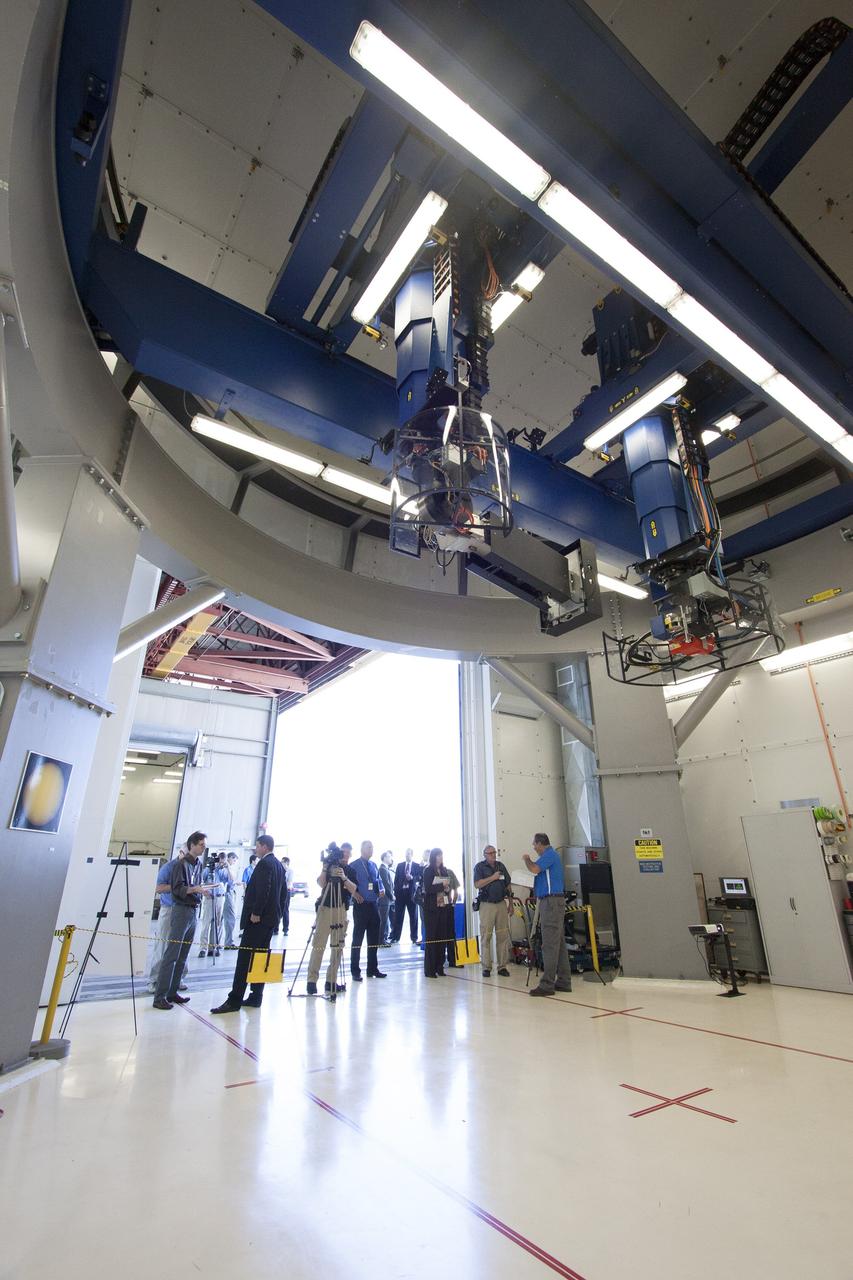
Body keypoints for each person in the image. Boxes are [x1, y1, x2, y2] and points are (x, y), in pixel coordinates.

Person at [211, 835, 288, 1014]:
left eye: (258, 846)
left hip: (258, 921)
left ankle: (234, 1000)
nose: (255, 849)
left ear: (265, 846)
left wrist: (256, 912)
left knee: (245, 959)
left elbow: (263, 890)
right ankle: (256, 996)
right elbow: (283, 894)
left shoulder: (265, 864)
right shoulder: (278, 865)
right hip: (269, 921)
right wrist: (277, 915)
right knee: (260, 958)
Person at [153, 831, 208, 1009]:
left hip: (193, 910)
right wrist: (194, 889)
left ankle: (173, 991)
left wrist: (201, 890)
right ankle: (160, 996)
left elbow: (194, 885)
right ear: (192, 845)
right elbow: (178, 889)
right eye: (201, 845)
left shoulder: (198, 865)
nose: (203, 848)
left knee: (183, 954)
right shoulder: (179, 865)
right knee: (172, 954)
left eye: (204, 845)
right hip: (181, 910)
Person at [523, 833, 572, 997]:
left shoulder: (549, 855)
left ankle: (547, 984)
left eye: (534, 844)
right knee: (559, 943)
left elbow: (534, 869)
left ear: (540, 843)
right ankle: (564, 981)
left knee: (549, 944)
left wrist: (527, 859)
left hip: (551, 902)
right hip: (552, 901)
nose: (534, 848)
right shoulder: (550, 857)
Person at [306, 843, 357, 996]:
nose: (345, 855)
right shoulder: (329, 867)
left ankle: (331, 980)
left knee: (338, 946)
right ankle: (311, 980)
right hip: (326, 908)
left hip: (341, 908)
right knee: (318, 945)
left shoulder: (350, 870)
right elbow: (321, 883)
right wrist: (324, 868)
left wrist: (344, 877)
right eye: (343, 852)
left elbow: (353, 889)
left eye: (347, 853)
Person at [348, 840, 387, 981]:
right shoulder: (354, 865)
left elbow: (378, 881)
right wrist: (354, 894)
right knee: (357, 939)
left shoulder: (374, 865)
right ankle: (355, 971)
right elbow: (347, 883)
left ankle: (372, 969)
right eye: (369, 847)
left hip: (373, 905)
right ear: (362, 849)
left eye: (372, 847)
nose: (371, 849)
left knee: (374, 939)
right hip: (361, 905)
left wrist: (382, 889)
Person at [473, 844, 512, 978]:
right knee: (486, 936)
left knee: (502, 936)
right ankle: (486, 967)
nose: (493, 855)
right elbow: (477, 884)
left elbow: (508, 884)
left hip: (501, 904)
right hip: (487, 905)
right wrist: (493, 878)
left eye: (494, 852)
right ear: (485, 855)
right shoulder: (479, 867)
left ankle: (502, 966)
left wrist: (510, 903)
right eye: (490, 853)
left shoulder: (501, 866)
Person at [423, 848, 454, 978]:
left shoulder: (444, 870)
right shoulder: (428, 870)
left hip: (443, 907)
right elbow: (429, 888)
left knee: (442, 938)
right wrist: (442, 886)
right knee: (432, 939)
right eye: (438, 855)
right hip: (431, 909)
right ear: (433, 857)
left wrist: (447, 888)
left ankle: (439, 967)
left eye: (441, 855)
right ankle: (430, 969)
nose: (440, 858)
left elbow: (448, 886)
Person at [199, 852, 228, 956]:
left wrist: (226, 867)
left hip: (220, 898)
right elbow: (200, 883)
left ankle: (213, 947)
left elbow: (229, 879)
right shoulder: (207, 870)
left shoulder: (223, 871)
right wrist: (204, 892)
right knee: (206, 923)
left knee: (217, 924)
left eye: (223, 862)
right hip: (209, 898)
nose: (221, 863)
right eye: (219, 861)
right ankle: (203, 948)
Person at [392, 848, 421, 943]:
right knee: (398, 917)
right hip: (400, 895)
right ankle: (396, 937)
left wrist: (412, 878)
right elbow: (396, 880)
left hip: (412, 895)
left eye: (408, 854)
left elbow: (419, 877)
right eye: (406, 853)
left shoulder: (417, 866)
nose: (407, 855)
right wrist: (396, 891)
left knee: (413, 917)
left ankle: (414, 938)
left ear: (412, 855)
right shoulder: (400, 865)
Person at [222, 852, 240, 949]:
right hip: (227, 894)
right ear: (229, 858)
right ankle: (228, 942)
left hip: (229, 893)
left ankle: (227, 942)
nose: (234, 862)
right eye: (234, 860)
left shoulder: (229, 868)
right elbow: (231, 880)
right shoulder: (226, 868)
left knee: (225, 919)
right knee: (230, 918)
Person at [377, 851, 395, 945]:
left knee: (384, 921)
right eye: (389, 856)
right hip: (384, 899)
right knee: (383, 921)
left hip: (386, 899)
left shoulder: (385, 868)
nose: (391, 858)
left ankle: (383, 939)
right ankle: (381, 941)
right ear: (384, 858)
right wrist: (392, 896)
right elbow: (386, 885)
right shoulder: (382, 869)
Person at [280, 856, 293, 935]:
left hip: (286, 891)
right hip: (279, 891)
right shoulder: (280, 870)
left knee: (285, 910)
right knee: (277, 909)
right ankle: (275, 929)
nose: (281, 863)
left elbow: (289, 882)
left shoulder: (290, 871)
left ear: (287, 863)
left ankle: (285, 929)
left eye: (282, 862)